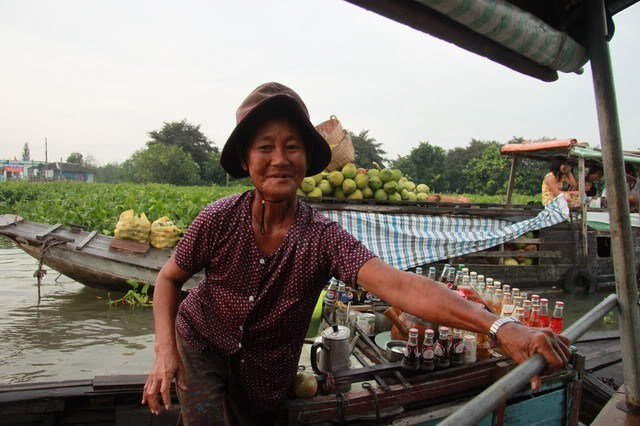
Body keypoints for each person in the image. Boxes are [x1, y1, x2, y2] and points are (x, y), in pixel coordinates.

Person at [142, 82, 571, 425]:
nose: (279, 160)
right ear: (246, 158)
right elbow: (168, 279)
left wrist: (500, 326)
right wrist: (165, 352)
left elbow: (400, 286)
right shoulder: (218, 219)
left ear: (307, 158)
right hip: (200, 344)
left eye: (292, 147)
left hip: (266, 370)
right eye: (265, 147)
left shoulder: (323, 237)